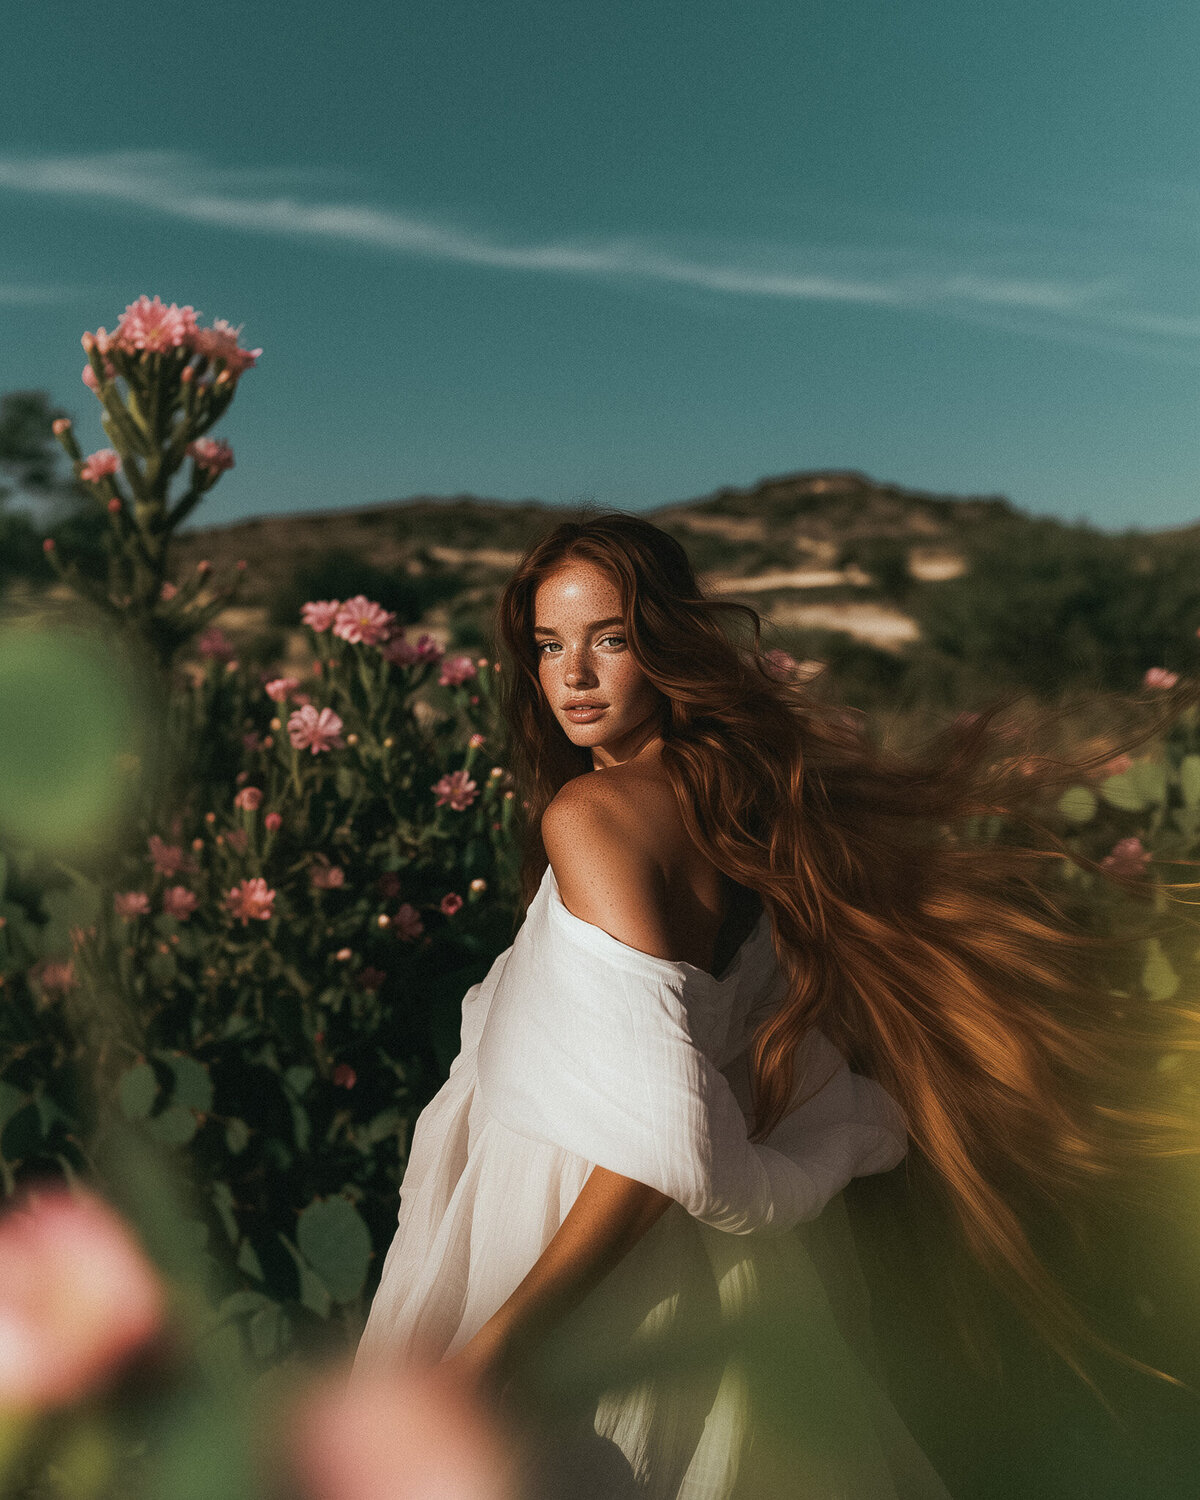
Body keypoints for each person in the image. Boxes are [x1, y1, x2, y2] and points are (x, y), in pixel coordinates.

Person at [353, 512, 1187, 1498]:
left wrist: (496, 1349)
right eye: (548, 645)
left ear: (665, 645)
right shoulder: (740, 808)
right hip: (718, 1272)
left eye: (608, 639)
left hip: (571, 1243)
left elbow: (654, 1146)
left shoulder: (591, 817)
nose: (572, 675)